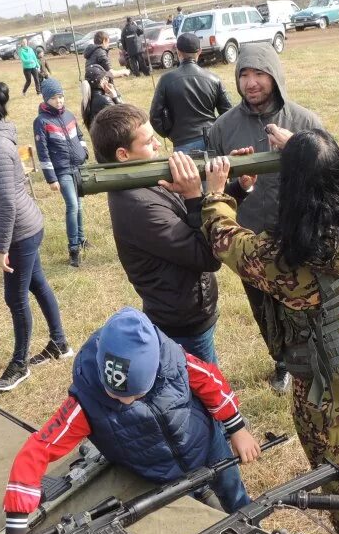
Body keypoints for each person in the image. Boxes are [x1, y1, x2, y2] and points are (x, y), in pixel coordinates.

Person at [200, 130, 339, 534]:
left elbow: (225, 238)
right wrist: (312, 148)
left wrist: (217, 194)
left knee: (336, 463)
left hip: (326, 380)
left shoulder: (285, 257)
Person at [3, 307, 261, 534]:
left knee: (234, 495)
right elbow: (37, 450)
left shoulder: (175, 361)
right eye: (114, 393)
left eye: (137, 394)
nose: (125, 402)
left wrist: (236, 428)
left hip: (210, 446)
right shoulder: (86, 401)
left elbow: (211, 382)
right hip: (163, 476)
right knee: (197, 523)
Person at [90, 104, 250, 363]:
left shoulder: (142, 179)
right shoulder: (139, 205)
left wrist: (237, 188)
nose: (158, 146)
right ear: (123, 154)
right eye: (149, 142)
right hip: (183, 323)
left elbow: (191, 221)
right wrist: (194, 195)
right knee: (208, 395)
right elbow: (207, 254)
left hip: (189, 309)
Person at [207, 44, 323, 394]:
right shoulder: (222, 129)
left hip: (299, 235)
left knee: (307, 305)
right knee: (264, 310)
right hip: (250, 242)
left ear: (274, 75)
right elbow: (214, 187)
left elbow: (330, 176)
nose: (251, 83)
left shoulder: (306, 122)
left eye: (259, 74)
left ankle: (318, 359)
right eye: (244, 74)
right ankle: (282, 362)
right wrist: (236, 180)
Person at [0, 82, 73, 391]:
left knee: (15, 296)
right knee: (37, 284)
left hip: (19, 234)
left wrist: (1, 246)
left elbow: (7, 202)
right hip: (25, 229)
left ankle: (19, 364)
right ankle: (60, 345)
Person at [34, 78, 88, 268]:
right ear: (46, 99)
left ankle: (82, 239)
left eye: (61, 97)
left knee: (80, 206)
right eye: (55, 98)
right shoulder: (41, 121)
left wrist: (84, 151)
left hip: (77, 167)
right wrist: (51, 178)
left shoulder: (69, 115)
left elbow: (80, 136)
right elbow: (43, 151)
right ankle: (73, 248)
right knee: (72, 205)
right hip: (62, 170)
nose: (59, 101)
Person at [149, 32, 232, 154]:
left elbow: (155, 116)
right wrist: (216, 130)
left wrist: (170, 134)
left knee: (186, 173)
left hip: (183, 143)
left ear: (178, 51)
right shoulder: (214, 79)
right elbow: (228, 112)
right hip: (213, 140)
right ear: (199, 51)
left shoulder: (166, 80)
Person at [81, 64, 122, 130]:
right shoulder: (104, 100)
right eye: (105, 78)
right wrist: (115, 97)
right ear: (100, 81)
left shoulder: (86, 99)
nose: (107, 80)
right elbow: (125, 117)